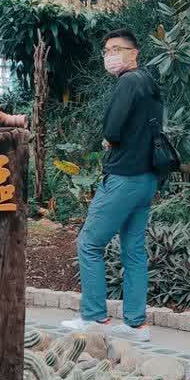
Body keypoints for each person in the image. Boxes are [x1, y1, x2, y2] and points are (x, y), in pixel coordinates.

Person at [62, 29, 162, 340]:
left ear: (134, 53)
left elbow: (113, 129)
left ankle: (93, 317)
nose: (110, 55)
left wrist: (109, 140)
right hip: (147, 178)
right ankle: (136, 324)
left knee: (89, 244)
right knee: (133, 249)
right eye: (106, 51)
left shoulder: (128, 82)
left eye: (116, 49)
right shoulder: (149, 82)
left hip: (123, 178)